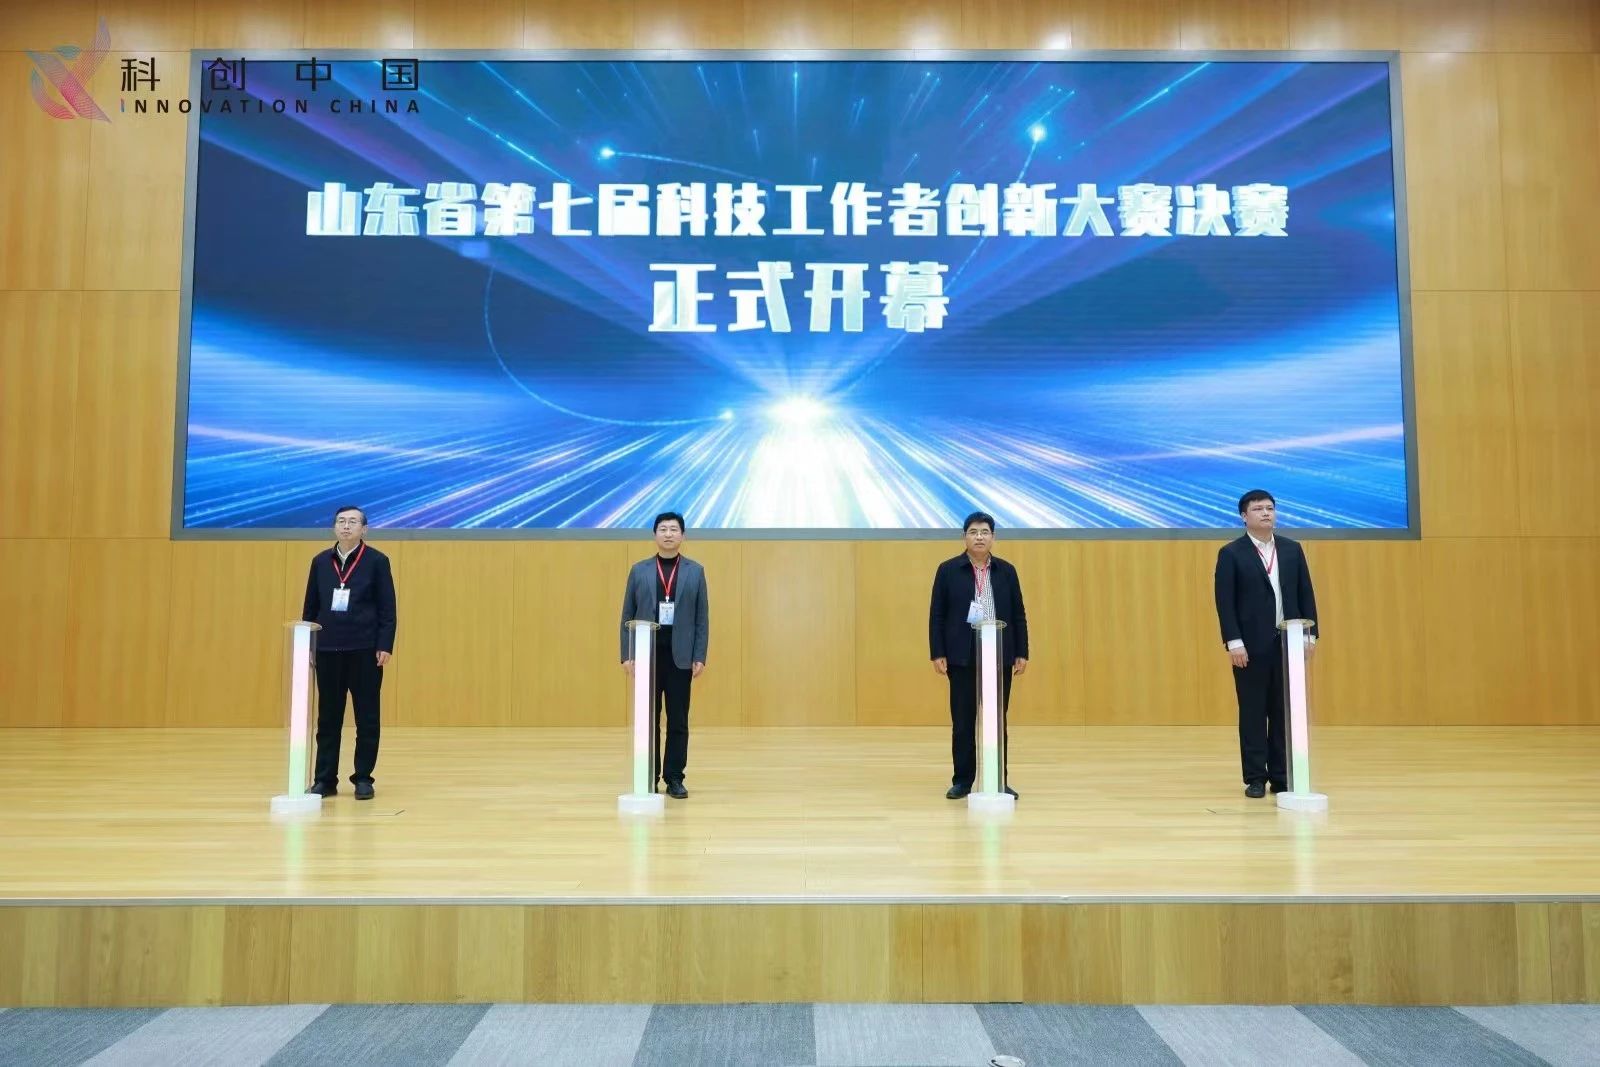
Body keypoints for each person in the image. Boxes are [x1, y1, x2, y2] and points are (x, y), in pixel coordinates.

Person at [1213, 489, 1319, 798]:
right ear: (1244, 516)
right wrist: (1234, 641)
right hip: (1249, 646)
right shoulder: (1231, 553)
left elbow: (1305, 592)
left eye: (1270, 508)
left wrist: (1310, 634)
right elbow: (1225, 602)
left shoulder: (1291, 549)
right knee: (1253, 711)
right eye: (1258, 508)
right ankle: (1256, 777)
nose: (1266, 513)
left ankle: (1282, 776)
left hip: (1288, 643)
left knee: (1284, 711)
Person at [928, 511, 1029, 800]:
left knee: (996, 721)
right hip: (962, 655)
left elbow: (1019, 614)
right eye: (973, 532)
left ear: (993, 537)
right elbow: (937, 615)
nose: (979, 537)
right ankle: (962, 780)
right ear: (965, 537)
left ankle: (998, 780)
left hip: (998, 655)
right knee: (962, 722)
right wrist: (938, 652)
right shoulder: (948, 570)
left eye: (985, 532)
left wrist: (1022, 651)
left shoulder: (1006, 571)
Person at [301, 505, 397, 800]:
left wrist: (384, 644)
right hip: (328, 649)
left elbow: (387, 609)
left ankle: (363, 778)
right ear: (334, 527)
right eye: (341, 521)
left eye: (353, 522)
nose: (346, 526)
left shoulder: (377, 561)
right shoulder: (320, 561)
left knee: (367, 717)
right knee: (328, 718)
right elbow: (310, 607)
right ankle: (324, 779)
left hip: (365, 650)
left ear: (363, 529)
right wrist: (308, 644)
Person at [619, 512, 708, 799]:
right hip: (648, 655)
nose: (668, 534)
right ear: (655, 534)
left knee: (678, 720)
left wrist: (699, 655)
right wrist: (627, 654)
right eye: (663, 529)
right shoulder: (639, 570)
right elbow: (627, 616)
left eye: (674, 529)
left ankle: (674, 778)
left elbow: (701, 618)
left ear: (683, 535)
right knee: (649, 720)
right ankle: (648, 776)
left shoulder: (695, 571)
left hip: (681, 656)